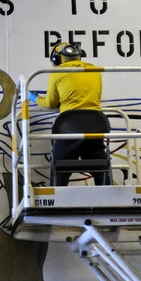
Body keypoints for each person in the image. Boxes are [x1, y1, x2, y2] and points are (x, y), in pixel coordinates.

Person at [29, 41, 111, 186]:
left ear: (57, 58)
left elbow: (50, 103)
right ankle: (109, 198)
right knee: (101, 165)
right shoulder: (94, 70)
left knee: (60, 164)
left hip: (69, 127)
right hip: (96, 125)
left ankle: (56, 202)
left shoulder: (57, 72)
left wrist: (34, 98)